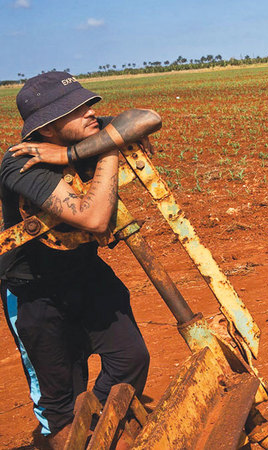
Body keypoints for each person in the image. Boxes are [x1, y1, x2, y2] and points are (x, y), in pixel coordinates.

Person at [0, 72, 151, 448]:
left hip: (86, 272)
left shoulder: (84, 134)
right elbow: (94, 218)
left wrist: (71, 155)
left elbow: (147, 117)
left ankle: (94, 429)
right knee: (60, 405)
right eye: (75, 109)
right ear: (46, 129)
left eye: (87, 103)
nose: (90, 112)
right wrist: (111, 148)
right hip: (34, 292)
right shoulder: (21, 163)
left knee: (130, 359)